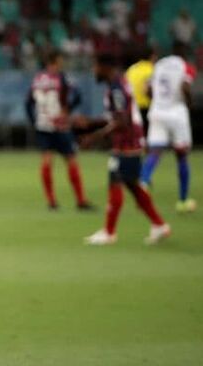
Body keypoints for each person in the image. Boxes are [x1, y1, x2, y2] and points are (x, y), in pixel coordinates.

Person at [80, 54, 170, 246]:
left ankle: (109, 232)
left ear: (105, 67)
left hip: (127, 143)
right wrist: (91, 122)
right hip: (130, 141)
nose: (93, 71)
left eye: (95, 66)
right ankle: (159, 224)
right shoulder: (117, 85)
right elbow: (118, 117)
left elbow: (122, 121)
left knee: (116, 179)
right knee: (132, 186)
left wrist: (94, 137)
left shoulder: (116, 88)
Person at [25, 50, 92, 211]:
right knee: (70, 159)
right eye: (59, 62)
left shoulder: (38, 79)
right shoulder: (61, 78)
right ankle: (80, 200)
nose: (61, 65)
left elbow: (28, 103)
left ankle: (51, 201)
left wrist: (34, 121)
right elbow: (77, 95)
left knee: (47, 161)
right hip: (60, 125)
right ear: (53, 62)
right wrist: (67, 109)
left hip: (42, 125)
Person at [140, 45, 196, 212]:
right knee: (182, 155)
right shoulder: (185, 66)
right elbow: (185, 86)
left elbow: (147, 89)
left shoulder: (159, 65)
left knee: (154, 152)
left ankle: (142, 185)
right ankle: (183, 200)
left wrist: (157, 101)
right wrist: (189, 103)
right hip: (176, 113)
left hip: (157, 111)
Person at [124, 46, 156, 133]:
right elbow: (147, 90)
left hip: (133, 108)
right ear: (152, 56)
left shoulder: (131, 69)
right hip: (147, 107)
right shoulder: (152, 69)